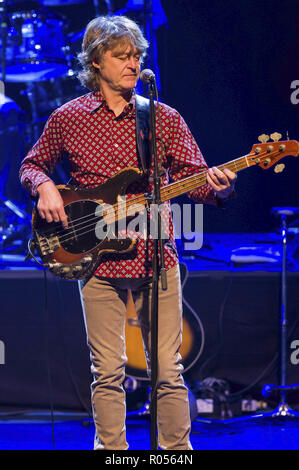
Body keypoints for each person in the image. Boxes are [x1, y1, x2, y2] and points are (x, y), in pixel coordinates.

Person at [19, 15, 236, 450]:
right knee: (108, 370)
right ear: (96, 62)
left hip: (156, 251)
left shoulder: (163, 116)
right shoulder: (68, 118)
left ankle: (175, 452)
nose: (133, 64)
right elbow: (31, 164)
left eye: (136, 56)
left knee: (167, 370)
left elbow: (195, 178)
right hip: (96, 258)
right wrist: (43, 185)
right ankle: (112, 452)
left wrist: (219, 187)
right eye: (122, 56)